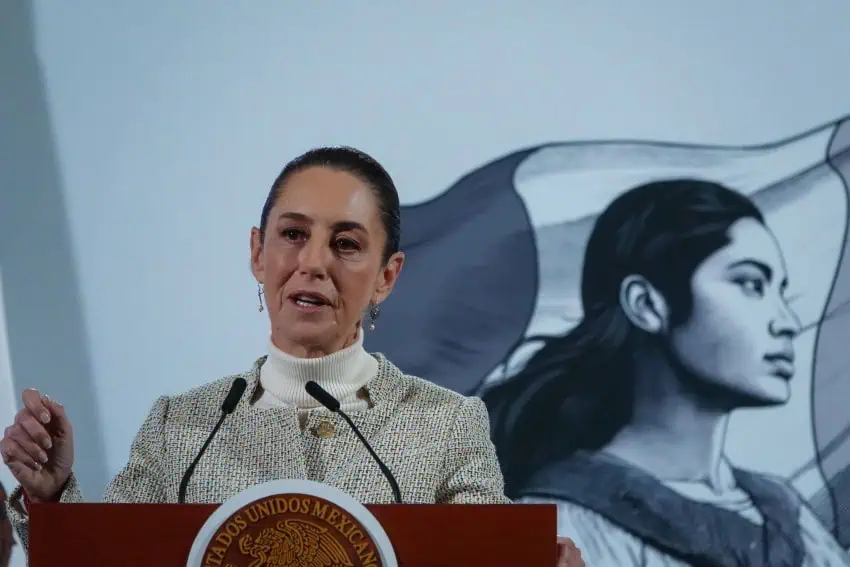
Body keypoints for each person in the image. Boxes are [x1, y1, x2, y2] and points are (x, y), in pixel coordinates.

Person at [1, 146, 582, 566]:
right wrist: (51, 497)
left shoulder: (446, 424)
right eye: (293, 234)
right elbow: (109, 561)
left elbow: (488, 561)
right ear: (258, 252)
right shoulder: (180, 426)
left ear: (386, 276)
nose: (314, 262)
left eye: (346, 244)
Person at [482, 179, 850, 566]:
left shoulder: (786, 513)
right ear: (647, 305)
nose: (787, 322)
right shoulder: (560, 527)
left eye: (780, 292)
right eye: (750, 284)